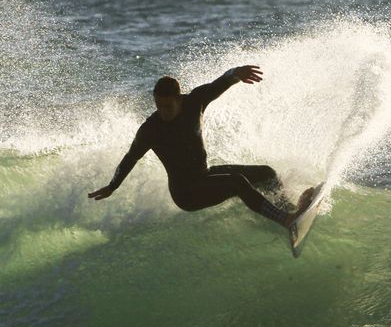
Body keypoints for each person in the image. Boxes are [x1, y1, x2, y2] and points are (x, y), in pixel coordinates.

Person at [88, 66, 314, 227]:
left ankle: (290, 211)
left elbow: (221, 82)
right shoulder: (151, 130)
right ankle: (285, 220)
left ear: (179, 99)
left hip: (203, 176)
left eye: (167, 106)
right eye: (158, 105)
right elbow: (130, 158)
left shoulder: (195, 102)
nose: (162, 111)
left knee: (266, 173)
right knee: (237, 182)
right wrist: (112, 186)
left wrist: (236, 73)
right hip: (186, 194)